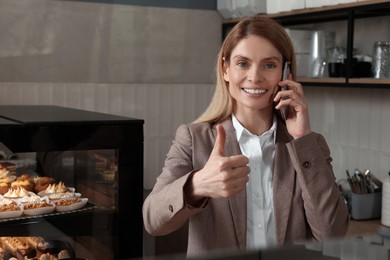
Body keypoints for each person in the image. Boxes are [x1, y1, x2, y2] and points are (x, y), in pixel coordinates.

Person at [142, 16, 350, 256]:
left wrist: (302, 138)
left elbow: (332, 234)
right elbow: (152, 220)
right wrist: (197, 185)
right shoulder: (193, 138)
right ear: (225, 69)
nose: (255, 76)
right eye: (243, 63)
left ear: (287, 72)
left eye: (269, 65)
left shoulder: (309, 145)